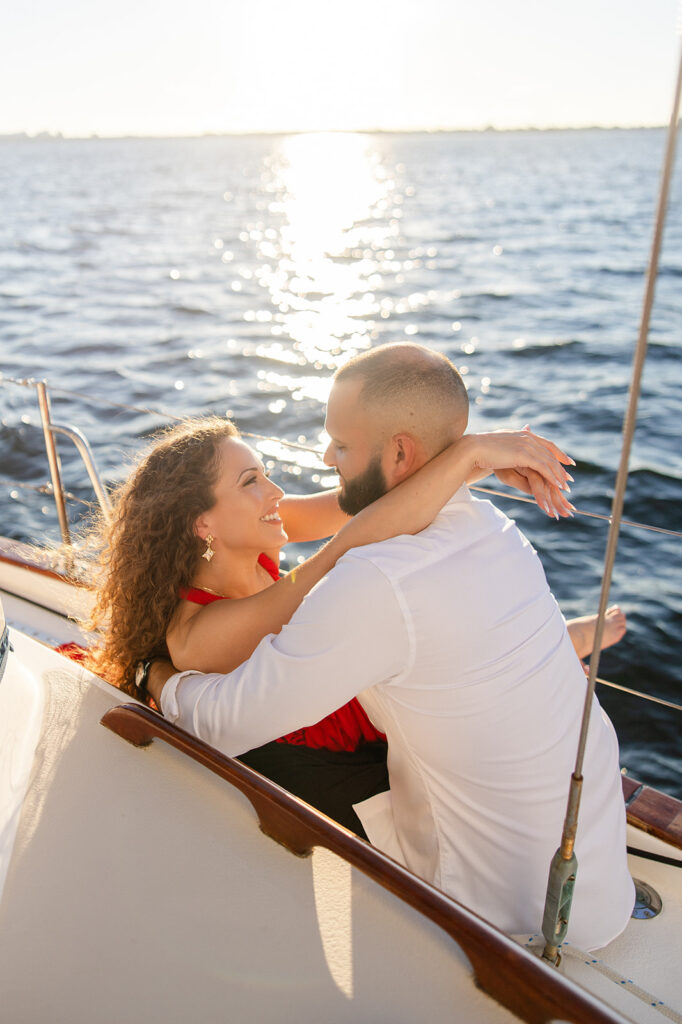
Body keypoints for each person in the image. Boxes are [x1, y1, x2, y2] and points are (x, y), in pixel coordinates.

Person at [148, 343, 634, 950]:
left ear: (401, 451)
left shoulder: (373, 579)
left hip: (502, 921)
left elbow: (221, 723)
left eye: (342, 445)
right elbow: (347, 528)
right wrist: (469, 456)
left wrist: (155, 678)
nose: (326, 457)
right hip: (596, 883)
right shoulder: (489, 525)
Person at [86, 409, 573, 833]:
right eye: (250, 481)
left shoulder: (255, 535)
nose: (276, 492)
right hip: (341, 764)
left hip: (361, 692)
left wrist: (480, 463)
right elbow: (347, 542)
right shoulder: (197, 635)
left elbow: (367, 505)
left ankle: (571, 640)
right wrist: (468, 454)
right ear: (202, 525)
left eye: (264, 473)